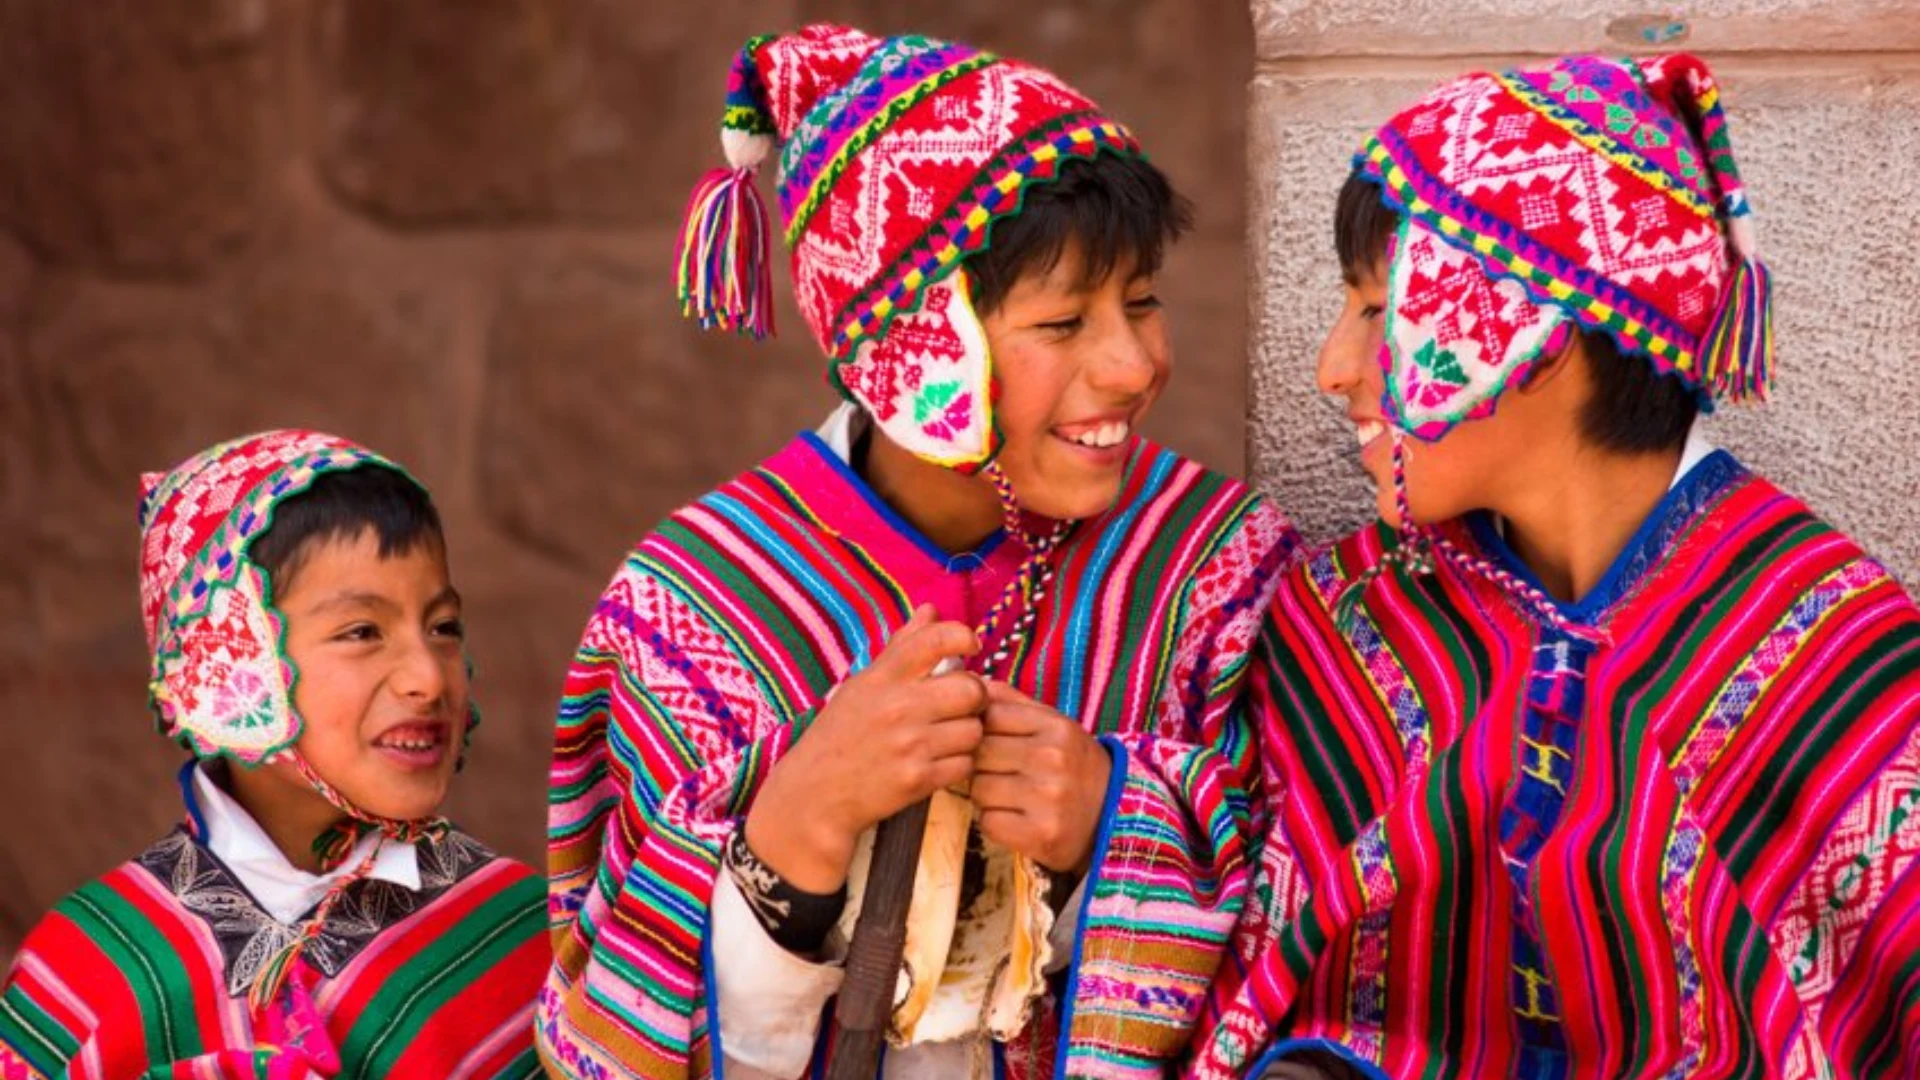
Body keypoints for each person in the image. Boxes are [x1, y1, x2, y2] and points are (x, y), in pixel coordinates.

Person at [536, 24, 1300, 1080]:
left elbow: (1322, 941)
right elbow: (600, 1023)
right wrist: (788, 843)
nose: (1132, 365)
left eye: (1142, 301)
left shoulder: (1221, 574)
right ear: (914, 353)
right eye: (1064, 322)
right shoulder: (695, 604)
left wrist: (1109, 830)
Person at [1191, 52, 1920, 1080]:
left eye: (1373, 309)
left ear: (1523, 339)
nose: (1331, 369)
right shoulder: (1349, 617)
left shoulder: (1836, 656)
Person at [0, 430, 549, 1079]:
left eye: (443, 628)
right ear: (229, 664)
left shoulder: (523, 941)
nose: (428, 679)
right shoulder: (93, 968)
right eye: (362, 632)